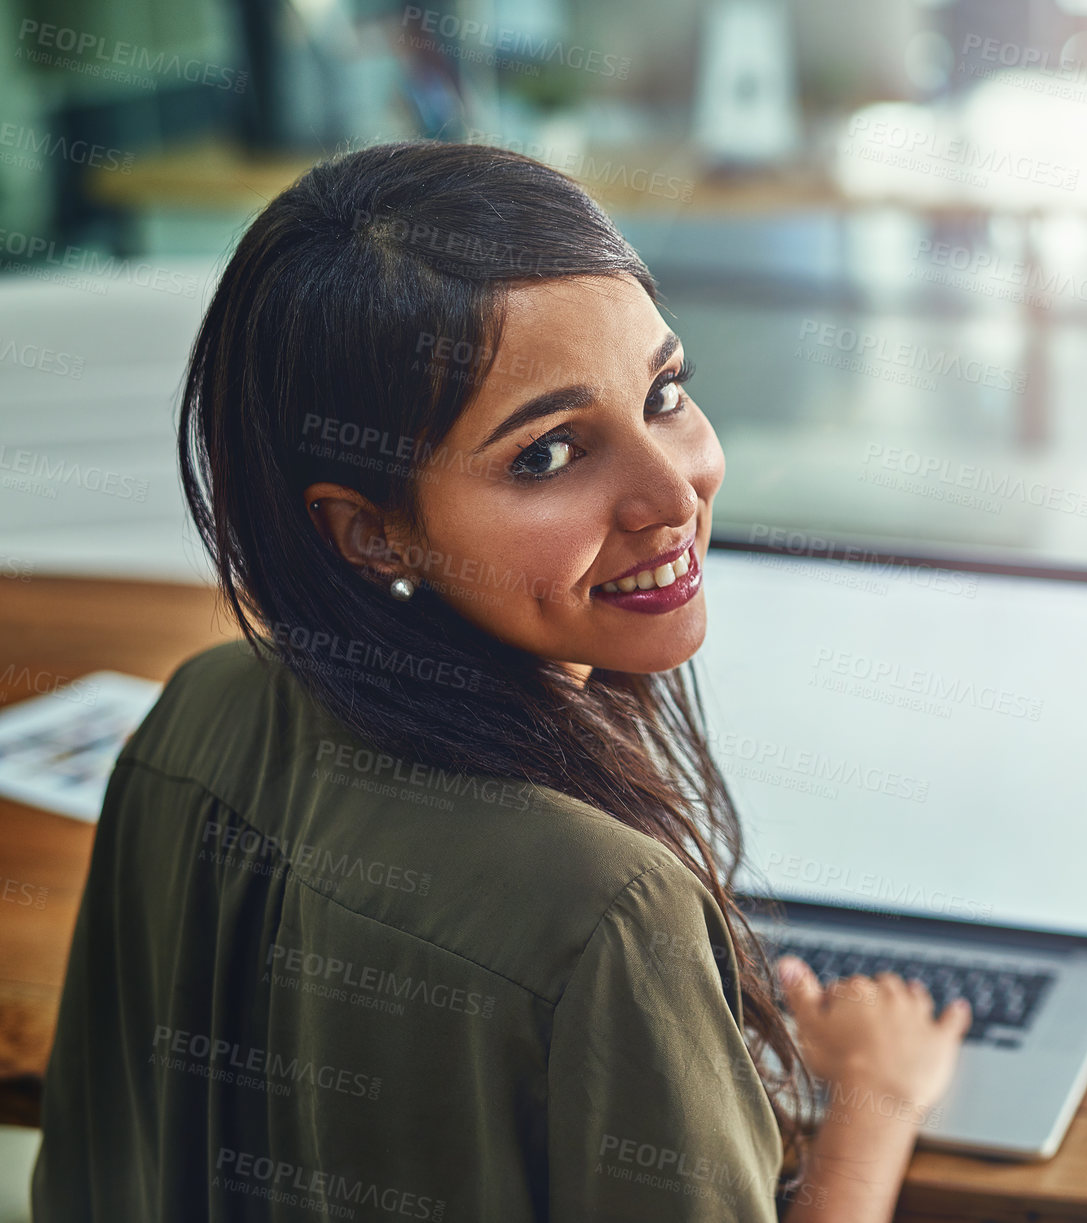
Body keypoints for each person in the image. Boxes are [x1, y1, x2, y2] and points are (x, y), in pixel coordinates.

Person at [31, 140, 969, 1222]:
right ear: (370, 534)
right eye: (548, 455)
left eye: (664, 391)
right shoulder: (610, 910)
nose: (673, 495)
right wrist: (876, 1097)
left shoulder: (195, 708)